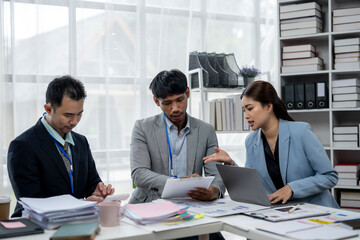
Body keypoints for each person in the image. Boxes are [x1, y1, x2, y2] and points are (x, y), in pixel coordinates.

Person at [204, 80, 339, 208]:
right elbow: (252, 184)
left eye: (250, 108)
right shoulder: (251, 141)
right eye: (243, 110)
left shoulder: (301, 132)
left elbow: (329, 176)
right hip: (283, 213)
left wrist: (291, 189)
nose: (245, 115)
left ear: (268, 106)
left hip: (318, 211)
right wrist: (230, 163)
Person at [8, 75, 114, 217]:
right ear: (48, 109)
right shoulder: (23, 146)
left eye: (79, 114)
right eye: (68, 115)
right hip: (38, 228)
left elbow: (92, 182)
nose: (75, 122)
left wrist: (98, 191)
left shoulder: (81, 142)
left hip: (77, 223)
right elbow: (33, 203)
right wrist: (81, 206)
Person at [129, 69, 225, 204]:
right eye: (167, 103)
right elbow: (139, 174)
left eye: (180, 100)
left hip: (192, 205)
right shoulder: (143, 128)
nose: (175, 108)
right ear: (157, 101)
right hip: (149, 203)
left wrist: (214, 191)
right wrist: (177, 183)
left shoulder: (206, 130)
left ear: (188, 93)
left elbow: (215, 174)